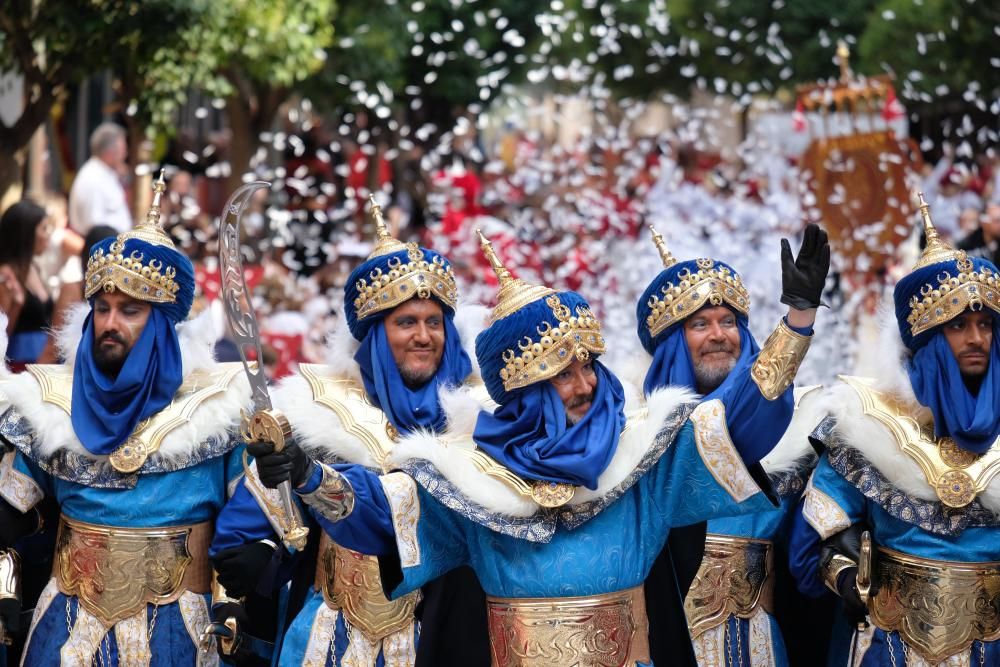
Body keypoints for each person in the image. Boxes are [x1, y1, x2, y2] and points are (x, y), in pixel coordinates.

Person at [248, 225, 827, 666]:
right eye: (559, 376)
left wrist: (796, 323)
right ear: (522, 396)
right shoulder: (469, 479)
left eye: (587, 367)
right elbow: (377, 514)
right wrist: (303, 473)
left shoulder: (643, 458)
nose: (583, 387)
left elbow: (742, 428)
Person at [209, 198, 492, 666]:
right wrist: (259, 551)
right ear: (376, 335)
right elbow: (258, 522)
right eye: (406, 322)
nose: (423, 336)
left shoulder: (484, 414)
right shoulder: (319, 412)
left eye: (433, 322)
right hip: (334, 638)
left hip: (450, 637)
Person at [0, 175, 250, 664]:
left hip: (178, 635)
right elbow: (7, 519)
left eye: (129, 310)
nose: (110, 324)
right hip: (65, 628)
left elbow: (253, 535)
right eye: (102, 309)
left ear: (159, 323)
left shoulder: (219, 410)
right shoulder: (51, 405)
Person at [789, 197, 1000, 665]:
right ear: (926, 339)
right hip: (889, 647)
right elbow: (820, 545)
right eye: (959, 325)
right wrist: (847, 576)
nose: (977, 339)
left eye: (986, 324)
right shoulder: (866, 424)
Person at [636, 226, 830, 666]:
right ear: (670, 345)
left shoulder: (791, 425)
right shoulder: (636, 437)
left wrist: (801, 318)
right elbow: (726, 419)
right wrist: (797, 322)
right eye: (699, 324)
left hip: (756, 645)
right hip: (666, 642)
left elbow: (750, 406)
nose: (719, 334)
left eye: (729, 322)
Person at [0, 200, 56, 369]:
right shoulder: (5, 275)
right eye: (44, 228)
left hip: (45, 364)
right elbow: (2, 333)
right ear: (26, 234)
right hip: (19, 367)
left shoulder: (34, 267)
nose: (48, 235)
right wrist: (16, 305)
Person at [68, 122, 132, 235]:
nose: (125, 155)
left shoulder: (104, 174)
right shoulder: (93, 178)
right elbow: (95, 228)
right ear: (109, 153)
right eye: (123, 151)